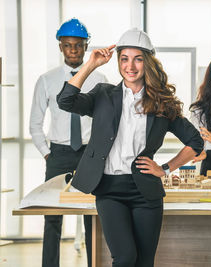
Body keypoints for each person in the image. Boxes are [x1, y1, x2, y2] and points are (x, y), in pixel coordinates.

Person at [56, 28, 203, 267]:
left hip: (145, 190)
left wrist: (165, 168)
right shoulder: (104, 94)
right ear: (118, 62)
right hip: (109, 190)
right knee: (125, 258)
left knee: (144, 262)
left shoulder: (161, 102)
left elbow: (195, 142)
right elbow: (65, 100)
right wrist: (91, 64)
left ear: (148, 63)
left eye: (138, 59)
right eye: (124, 59)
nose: (130, 66)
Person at [29, 18, 107, 267]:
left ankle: (94, 263)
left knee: (92, 215)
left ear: (86, 46)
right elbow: (35, 123)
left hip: (88, 154)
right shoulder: (46, 80)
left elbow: (106, 121)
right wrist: (47, 154)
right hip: (58, 154)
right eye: (67, 45)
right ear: (60, 47)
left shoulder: (100, 78)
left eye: (78, 45)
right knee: (52, 216)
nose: (73, 49)